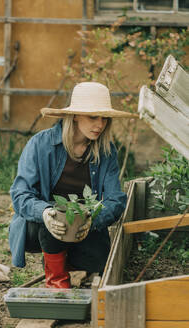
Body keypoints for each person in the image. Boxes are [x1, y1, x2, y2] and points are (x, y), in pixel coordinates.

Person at [9, 82, 137, 288]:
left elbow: (116, 199)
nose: (100, 124)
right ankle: (56, 282)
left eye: (104, 118)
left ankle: (66, 262)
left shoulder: (106, 151)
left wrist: (92, 219)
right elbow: (20, 194)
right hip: (43, 226)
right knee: (55, 218)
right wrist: (45, 213)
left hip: (84, 225)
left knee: (100, 264)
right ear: (75, 115)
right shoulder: (40, 145)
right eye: (93, 117)